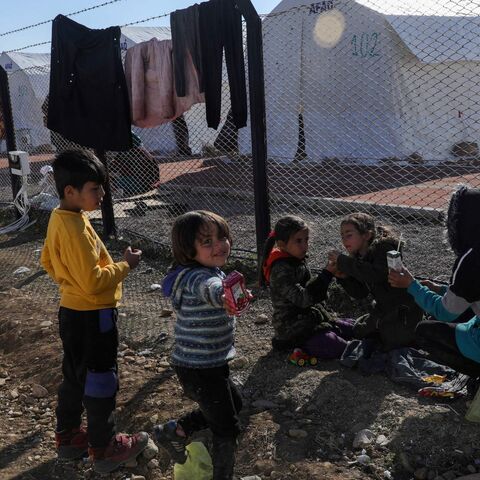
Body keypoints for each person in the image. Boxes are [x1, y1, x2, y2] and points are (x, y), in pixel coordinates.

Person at [40, 149, 148, 473]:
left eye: (101, 187)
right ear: (70, 191)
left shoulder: (62, 218)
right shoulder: (75, 228)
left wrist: (67, 283)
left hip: (71, 311)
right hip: (93, 316)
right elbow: (93, 281)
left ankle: (70, 437)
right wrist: (125, 265)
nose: (102, 194)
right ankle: (104, 448)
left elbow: (46, 260)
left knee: (75, 375)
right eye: (95, 188)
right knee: (101, 379)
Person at [154, 210, 242, 480]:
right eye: (207, 241)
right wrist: (223, 295)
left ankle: (176, 430)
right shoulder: (198, 278)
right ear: (188, 250)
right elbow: (212, 288)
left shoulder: (207, 269)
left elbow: (217, 283)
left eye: (222, 236)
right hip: (199, 368)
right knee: (227, 428)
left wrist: (229, 293)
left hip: (211, 364)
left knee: (234, 403)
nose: (220, 244)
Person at [388, 186, 480, 378]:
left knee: (425, 331)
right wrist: (440, 289)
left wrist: (412, 285)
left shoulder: (472, 258)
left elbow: (444, 312)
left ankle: (475, 372)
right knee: (462, 315)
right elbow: (472, 293)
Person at [260, 215, 354, 358]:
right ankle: (297, 346)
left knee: (352, 328)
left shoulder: (295, 259)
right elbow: (303, 299)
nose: (305, 245)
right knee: (338, 346)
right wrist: (326, 274)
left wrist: (333, 274)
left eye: (306, 240)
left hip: (309, 318)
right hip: (291, 328)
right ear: (281, 244)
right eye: (298, 241)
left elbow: (312, 290)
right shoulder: (280, 269)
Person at [328, 212, 423, 350]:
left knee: (395, 344)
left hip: (404, 312)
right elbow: (360, 293)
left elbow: (376, 274)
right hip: (384, 309)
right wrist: (344, 277)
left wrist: (343, 261)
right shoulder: (359, 258)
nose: (344, 240)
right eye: (342, 236)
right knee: (361, 333)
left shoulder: (384, 249)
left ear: (366, 235)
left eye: (349, 235)